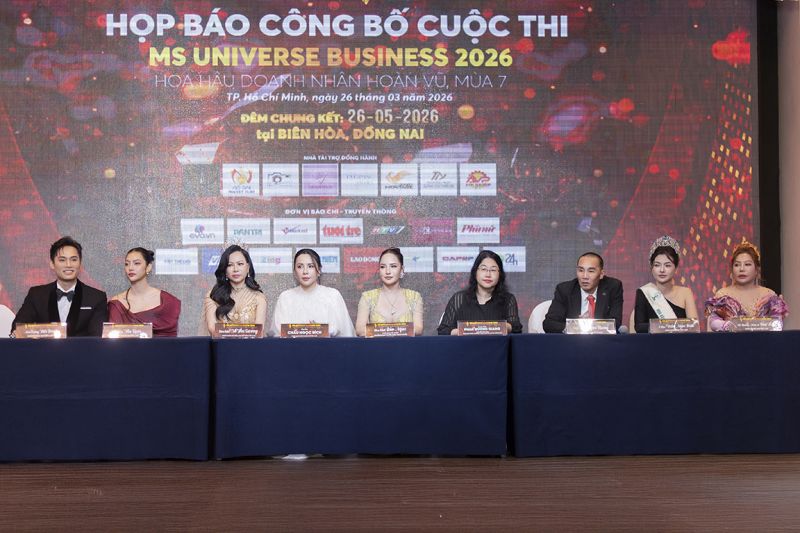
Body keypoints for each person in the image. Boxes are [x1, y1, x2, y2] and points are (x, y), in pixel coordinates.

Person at [12, 236, 107, 337]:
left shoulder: (96, 297)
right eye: (62, 260)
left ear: (80, 263)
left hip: (81, 348)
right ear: (52, 264)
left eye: (73, 260)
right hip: (44, 347)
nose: (68, 265)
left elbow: (98, 338)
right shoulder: (37, 295)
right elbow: (18, 330)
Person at [270, 248, 355, 337]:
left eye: (310, 266)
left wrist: (318, 331)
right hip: (291, 346)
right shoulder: (285, 297)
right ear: (294, 272)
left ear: (319, 270)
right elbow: (277, 334)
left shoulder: (333, 295)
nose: (305, 271)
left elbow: (346, 334)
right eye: (300, 267)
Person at [705, 241, 788, 331]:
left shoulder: (768, 295)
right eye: (737, 265)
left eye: (747, 264)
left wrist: (779, 311)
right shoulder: (723, 295)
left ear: (757, 269)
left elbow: (777, 325)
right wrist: (732, 326)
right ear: (732, 270)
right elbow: (713, 323)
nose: (742, 269)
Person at [437, 250, 523, 335]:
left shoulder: (508, 299)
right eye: (483, 269)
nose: (488, 274)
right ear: (475, 272)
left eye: (493, 270)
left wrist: (500, 327)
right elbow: (443, 330)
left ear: (500, 274)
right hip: (465, 344)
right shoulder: (459, 299)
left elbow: (516, 328)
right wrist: (466, 331)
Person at [107, 247, 181, 337]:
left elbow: (170, 339)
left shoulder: (167, 301)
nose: (130, 268)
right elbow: (114, 338)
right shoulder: (117, 303)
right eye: (127, 264)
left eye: (137, 263)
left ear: (148, 267)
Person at [542, 252, 624, 333]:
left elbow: (615, 323)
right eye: (581, 270)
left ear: (601, 274)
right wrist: (576, 326)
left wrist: (590, 325)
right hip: (572, 340)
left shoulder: (613, 287)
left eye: (591, 271)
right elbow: (549, 324)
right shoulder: (565, 290)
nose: (585, 276)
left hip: (602, 340)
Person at [634, 236, 699, 333]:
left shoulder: (685, 293)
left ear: (676, 268)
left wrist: (663, 325)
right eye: (657, 265)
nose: (662, 270)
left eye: (667, 265)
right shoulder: (644, 292)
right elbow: (639, 327)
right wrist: (670, 325)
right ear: (651, 268)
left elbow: (694, 327)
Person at [199, 245, 267, 337]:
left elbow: (259, 331)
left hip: (250, 345)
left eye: (240, 264)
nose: (235, 269)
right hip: (221, 345)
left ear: (248, 268)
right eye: (230, 265)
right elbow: (212, 328)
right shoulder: (213, 296)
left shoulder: (259, 297)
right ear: (225, 270)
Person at [356, 247, 423, 336]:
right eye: (383, 267)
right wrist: (398, 329)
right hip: (376, 345)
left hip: (406, 345)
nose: (387, 271)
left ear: (402, 269)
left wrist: (379, 330)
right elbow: (360, 330)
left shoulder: (414, 297)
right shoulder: (367, 297)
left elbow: (418, 329)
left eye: (393, 266)